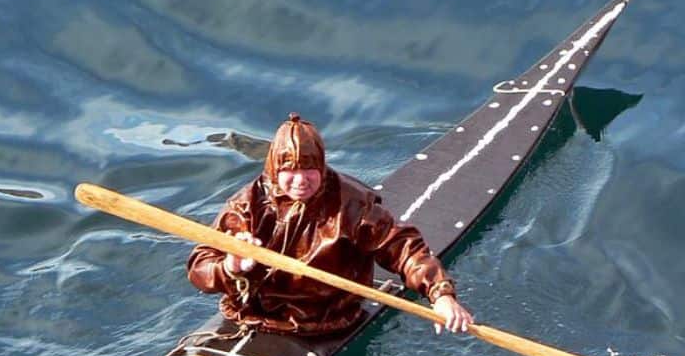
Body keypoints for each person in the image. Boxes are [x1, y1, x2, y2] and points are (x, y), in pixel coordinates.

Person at [187, 113, 473, 336]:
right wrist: (229, 267)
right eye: (289, 170)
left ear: (322, 167)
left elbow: (401, 248)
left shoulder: (351, 205)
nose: (301, 181)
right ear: (274, 170)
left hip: (326, 320)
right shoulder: (246, 205)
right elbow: (200, 265)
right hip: (247, 313)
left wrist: (440, 294)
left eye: (309, 170)